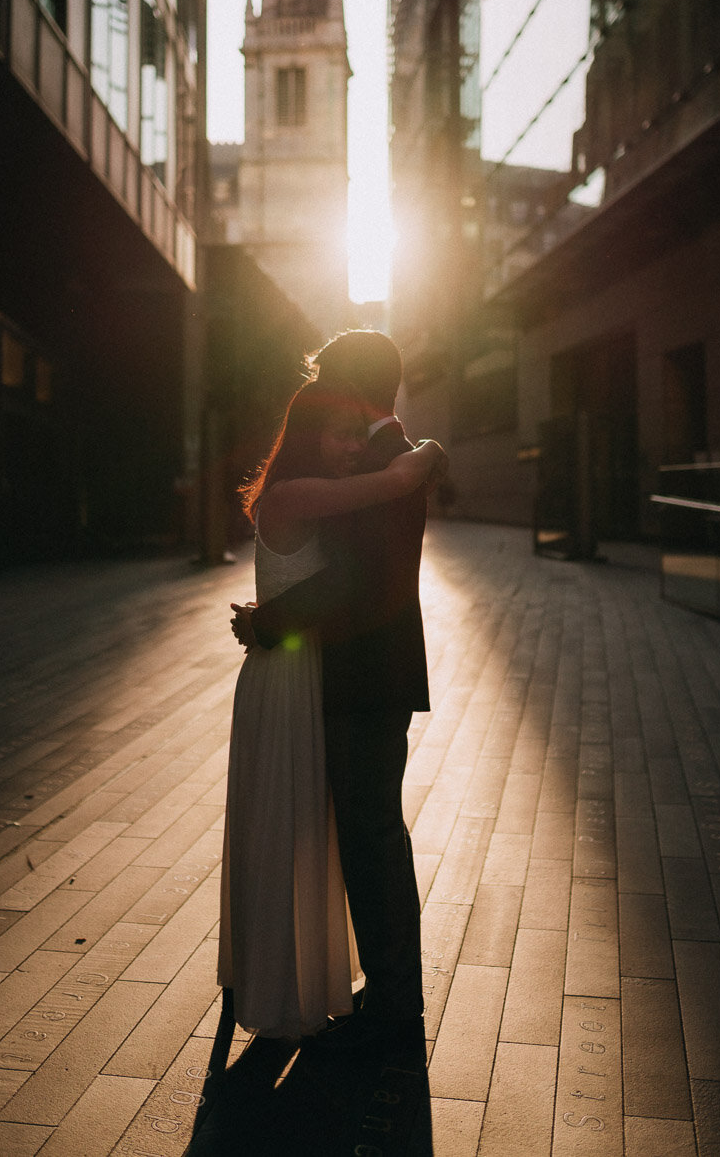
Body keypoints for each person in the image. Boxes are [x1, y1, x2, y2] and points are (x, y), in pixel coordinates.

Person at [218, 376, 446, 1042]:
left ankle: (341, 986)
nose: (346, 444)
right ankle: (287, 978)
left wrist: (268, 621)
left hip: (330, 672)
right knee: (304, 827)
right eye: (333, 432)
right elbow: (382, 511)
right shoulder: (318, 488)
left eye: (352, 429)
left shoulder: (360, 472)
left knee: (340, 833)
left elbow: (355, 579)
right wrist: (426, 450)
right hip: (302, 674)